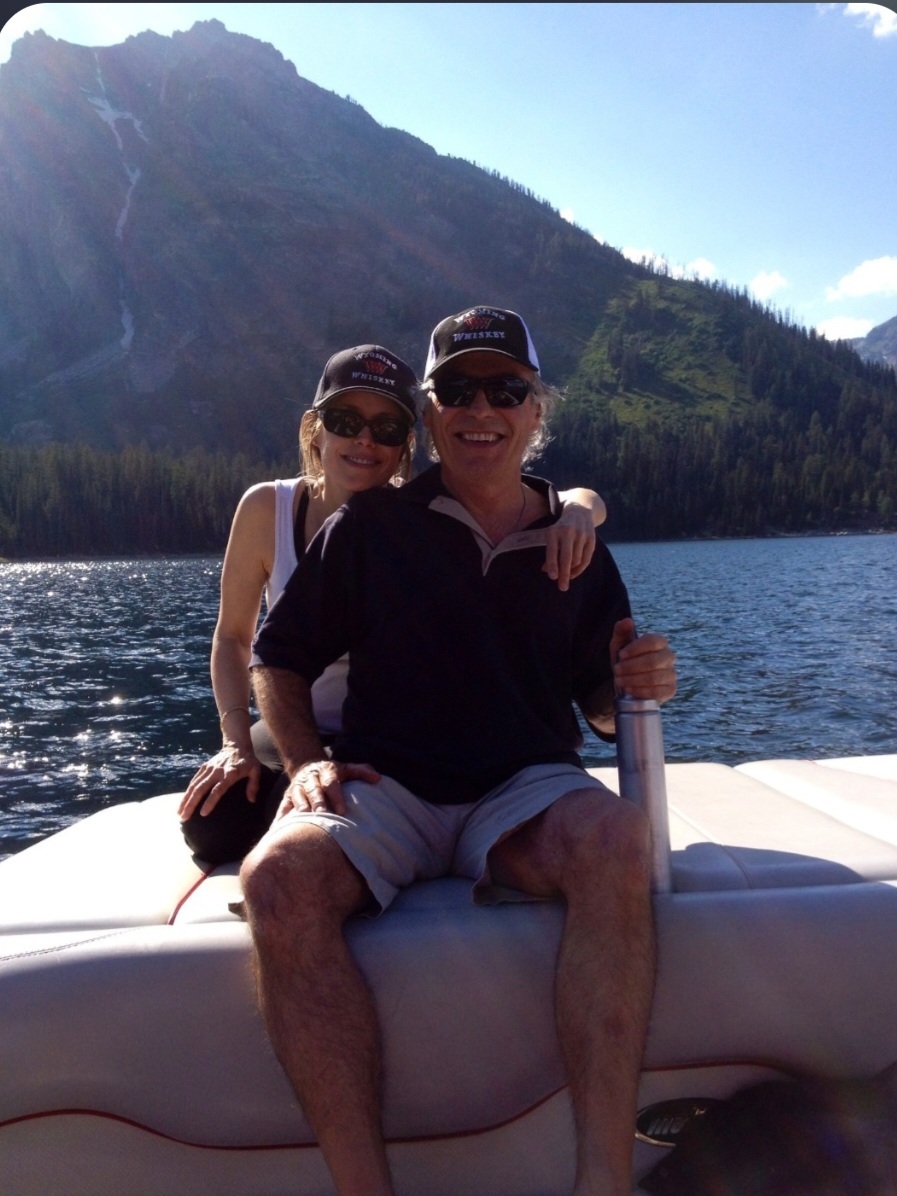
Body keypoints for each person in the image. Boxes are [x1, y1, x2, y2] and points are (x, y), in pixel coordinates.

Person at [242, 305, 676, 1196]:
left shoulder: (576, 543)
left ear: (535, 410)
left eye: (505, 389)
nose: (483, 408)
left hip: (520, 786)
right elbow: (276, 660)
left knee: (615, 840)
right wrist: (302, 762)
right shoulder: (368, 529)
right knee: (276, 879)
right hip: (386, 785)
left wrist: (635, 682)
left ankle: (603, 1180)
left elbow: (598, 706)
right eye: (458, 390)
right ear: (431, 413)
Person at [178, 342, 607, 865]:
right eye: (345, 420)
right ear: (316, 429)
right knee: (214, 824)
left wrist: (582, 507)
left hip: (383, 740)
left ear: (406, 443)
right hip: (296, 719)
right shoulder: (270, 507)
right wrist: (236, 742)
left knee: (308, 823)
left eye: (386, 429)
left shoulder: (413, 521)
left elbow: (533, 492)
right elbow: (234, 639)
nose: (364, 440)